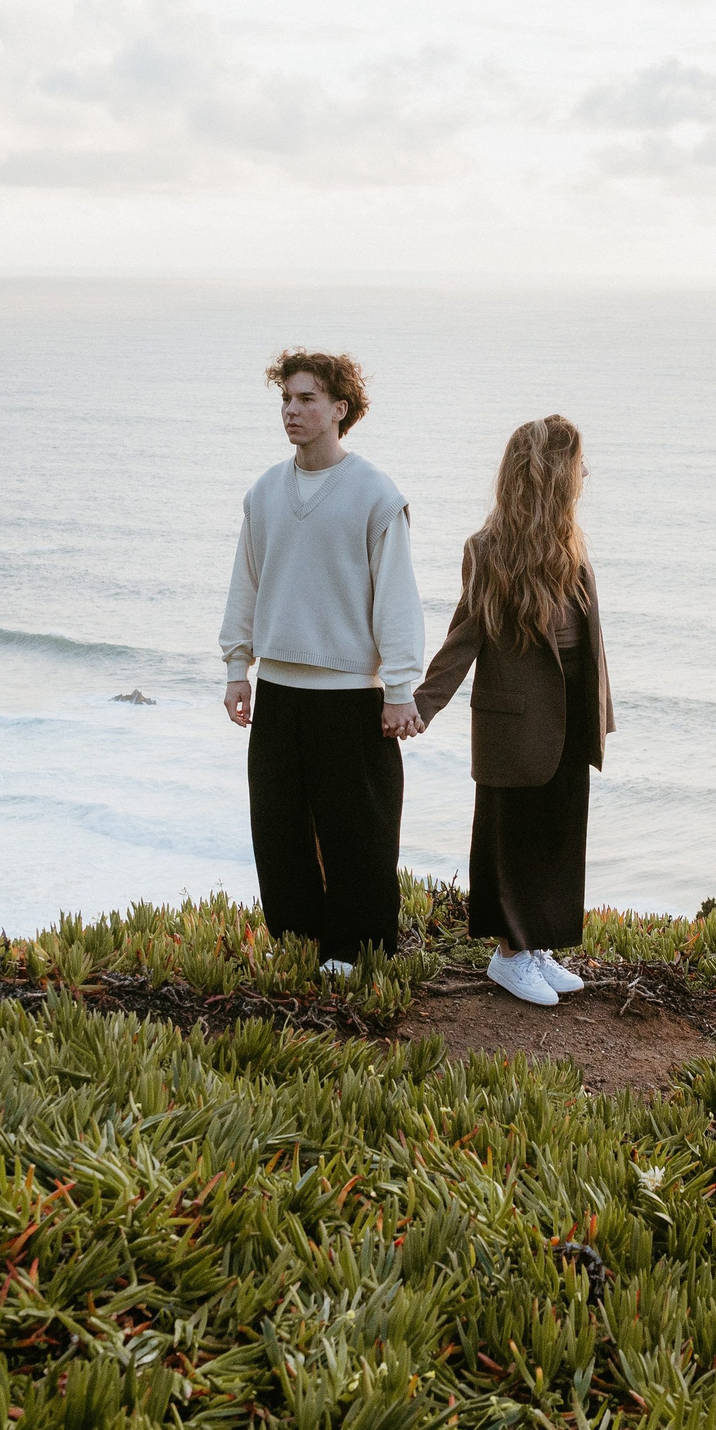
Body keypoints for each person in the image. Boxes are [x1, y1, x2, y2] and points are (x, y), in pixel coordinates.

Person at [221, 349, 425, 973]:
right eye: (286, 398)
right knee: (278, 825)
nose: (292, 410)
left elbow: (397, 596)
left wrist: (400, 686)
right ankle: (300, 939)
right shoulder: (264, 492)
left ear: (340, 409)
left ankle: (355, 948)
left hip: (348, 694)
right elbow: (246, 585)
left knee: (356, 830)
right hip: (279, 688)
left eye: (307, 399)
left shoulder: (375, 494)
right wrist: (237, 668)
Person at [414, 415, 613, 1007]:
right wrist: (420, 705)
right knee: (513, 839)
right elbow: (464, 636)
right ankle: (509, 955)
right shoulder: (490, 551)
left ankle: (536, 945)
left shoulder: (571, 544)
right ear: (551, 474)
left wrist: (597, 712)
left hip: (570, 713)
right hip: (514, 720)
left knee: (557, 833)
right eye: (578, 464)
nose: (585, 474)